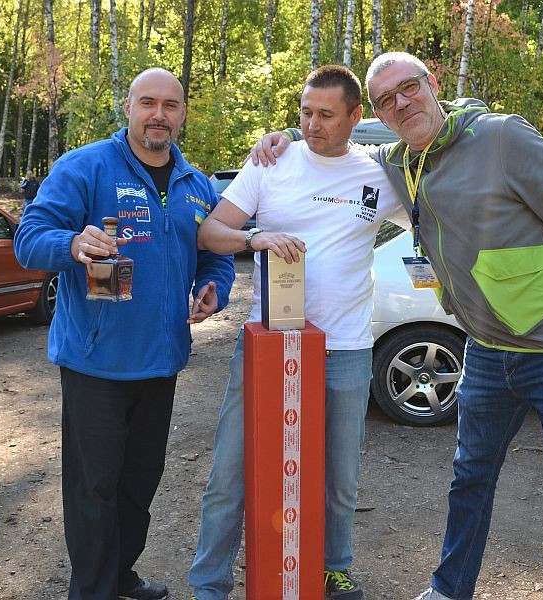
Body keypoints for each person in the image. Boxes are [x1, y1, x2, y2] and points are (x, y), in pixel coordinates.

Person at [253, 52, 543, 600]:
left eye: (408, 88)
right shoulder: (399, 161)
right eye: (386, 100)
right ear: (378, 113)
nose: (401, 103)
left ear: (432, 83)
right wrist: (291, 134)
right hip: (485, 350)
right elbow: (336, 135)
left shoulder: (501, 137)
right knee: (469, 480)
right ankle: (449, 590)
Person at [14, 67, 235, 600]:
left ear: (182, 114)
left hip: (161, 361)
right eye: (148, 103)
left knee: (139, 483)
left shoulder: (196, 184)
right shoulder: (86, 167)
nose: (159, 115)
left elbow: (216, 253)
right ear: (129, 107)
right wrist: (72, 244)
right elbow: (28, 239)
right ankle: (92, 590)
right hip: (96, 364)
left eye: (170, 105)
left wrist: (215, 287)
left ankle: (120, 577)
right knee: (94, 489)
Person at [189, 65, 409, 600]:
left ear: (355, 117)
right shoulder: (271, 161)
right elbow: (210, 232)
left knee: (339, 474)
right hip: (269, 342)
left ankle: (332, 567)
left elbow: (439, 219)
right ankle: (209, 583)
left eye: (326, 115)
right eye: (305, 113)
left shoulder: (381, 174)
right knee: (231, 469)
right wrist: (256, 238)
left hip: (346, 347)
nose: (312, 125)